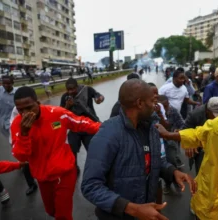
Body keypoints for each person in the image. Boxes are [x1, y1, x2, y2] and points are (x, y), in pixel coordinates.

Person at [81, 79, 195, 220]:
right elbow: (90, 186)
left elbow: (152, 161)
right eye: (152, 101)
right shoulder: (108, 134)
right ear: (140, 103)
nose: (155, 105)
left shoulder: (151, 129)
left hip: (145, 213)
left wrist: (172, 172)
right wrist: (133, 209)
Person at [11, 86, 101, 220]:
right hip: (42, 177)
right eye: (20, 110)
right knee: (51, 211)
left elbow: (81, 123)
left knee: (62, 215)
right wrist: (24, 134)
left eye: (29, 108)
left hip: (64, 173)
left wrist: (106, 128)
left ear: (38, 103)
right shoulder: (17, 124)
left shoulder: (57, 114)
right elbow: (21, 156)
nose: (25, 113)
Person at [60, 78, 104, 175]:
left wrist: (99, 99)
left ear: (77, 86)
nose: (70, 92)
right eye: (68, 89)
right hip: (74, 128)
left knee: (92, 149)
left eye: (72, 89)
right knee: (72, 151)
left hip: (88, 125)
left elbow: (98, 96)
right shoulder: (65, 97)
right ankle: (75, 168)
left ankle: (95, 170)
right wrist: (67, 106)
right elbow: (60, 113)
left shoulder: (87, 90)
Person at [184, 97, 218, 176]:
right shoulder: (195, 115)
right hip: (200, 149)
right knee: (202, 173)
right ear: (207, 111)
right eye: (216, 115)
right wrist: (189, 143)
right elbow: (185, 130)